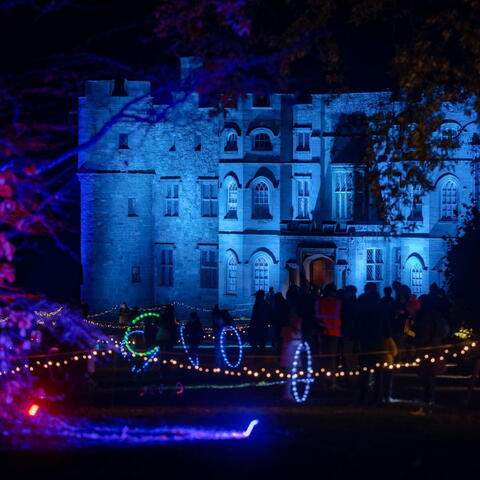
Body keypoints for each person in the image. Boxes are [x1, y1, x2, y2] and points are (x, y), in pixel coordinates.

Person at [411, 287, 449, 415]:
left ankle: (428, 400)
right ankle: (428, 399)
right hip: (434, 348)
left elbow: (424, 335)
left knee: (428, 376)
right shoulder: (436, 316)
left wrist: (416, 343)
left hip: (429, 349)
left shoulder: (427, 318)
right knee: (429, 376)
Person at [357, 282, 385, 404]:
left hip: (367, 341)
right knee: (378, 370)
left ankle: (363, 395)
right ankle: (378, 396)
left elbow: (360, 324)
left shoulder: (363, 308)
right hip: (378, 341)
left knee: (365, 370)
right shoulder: (381, 307)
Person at [314, 283, 342, 382]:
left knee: (322, 357)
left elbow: (317, 317)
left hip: (323, 332)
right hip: (335, 333)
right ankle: (332, 381)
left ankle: (322, 380)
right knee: (332, 359)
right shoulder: (338, 302)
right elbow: (340, 316)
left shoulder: (319, 302)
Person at [280, 307, 303, 401]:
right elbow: (290, 341)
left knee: (293, 375)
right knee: (290, 375)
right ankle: (287, 394)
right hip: (290, 355)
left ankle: (289, 393)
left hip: (294, 355)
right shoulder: (289, 330)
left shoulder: (296, 331)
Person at [341, 285, 359, 372]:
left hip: (349, 332)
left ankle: (351, 375)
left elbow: (347, 318)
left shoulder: (348, 303)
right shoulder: (356, 302)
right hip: (354, 332)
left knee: (349, 355)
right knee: (353, 355)